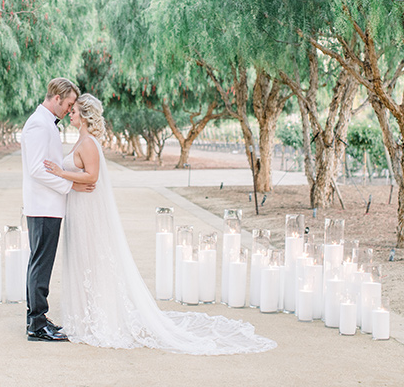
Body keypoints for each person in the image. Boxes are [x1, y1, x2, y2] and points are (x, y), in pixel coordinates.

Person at [43, 94, 276, 355]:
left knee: (91, 260)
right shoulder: (81, 141)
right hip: (79, 207)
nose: (70, 114)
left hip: (87, 210)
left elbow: (92, 176)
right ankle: (85, 316)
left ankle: (96, 319)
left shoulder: (88, 143)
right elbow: (84, 177)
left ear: (85, 115)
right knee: (82, 260)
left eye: (73, 110)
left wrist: (60, 172)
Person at [20, 77, 95, 342]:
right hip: (43, 206)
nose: (69, 109)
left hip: (48, 205)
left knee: (40, 263)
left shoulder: (47, 123)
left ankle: (38, 318)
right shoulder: (39, 125)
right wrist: (70, 185)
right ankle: (37, 325)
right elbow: (37, 169)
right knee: (40, 264)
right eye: (70, 104)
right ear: (57, 97)